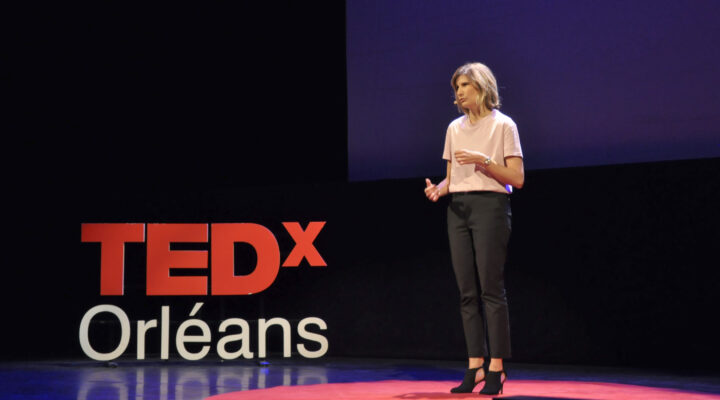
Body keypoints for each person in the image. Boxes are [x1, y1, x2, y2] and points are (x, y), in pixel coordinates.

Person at [424, 62, 524, 395]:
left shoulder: (504, 125)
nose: (459, 92)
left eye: (465, 85)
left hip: (490, 207)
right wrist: (439, 190)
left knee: (491, 290)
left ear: (482, 86)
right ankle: (475, 365)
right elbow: (452, 179)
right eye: (456, 87)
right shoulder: (454, 128)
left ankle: (497, 367)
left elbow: (517, 179)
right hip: (458, 209)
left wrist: (485, 161)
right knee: (466, 291)